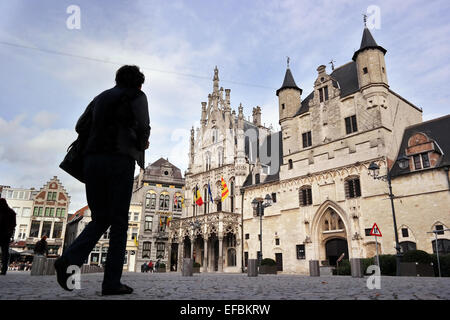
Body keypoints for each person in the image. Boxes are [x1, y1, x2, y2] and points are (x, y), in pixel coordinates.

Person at [55, 65, 151, 296]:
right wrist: (142, 142)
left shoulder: (101, 97)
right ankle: (111, 283)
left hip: (91, 160)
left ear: (117, 79)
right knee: (118, 223)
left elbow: (80, 126)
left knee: (100, 218)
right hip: (119, 158)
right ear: (138, 83)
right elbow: (144, 128)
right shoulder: (137, 95)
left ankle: (69, 259)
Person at [0, 198, 16, 275]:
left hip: (4, 234)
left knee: (5, 253)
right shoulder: (11, 212)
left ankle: (3, 269)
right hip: (6, 235)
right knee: (5, 253)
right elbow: (13, 225)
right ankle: (4, 270)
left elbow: (13, 225)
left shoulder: (8, 212)